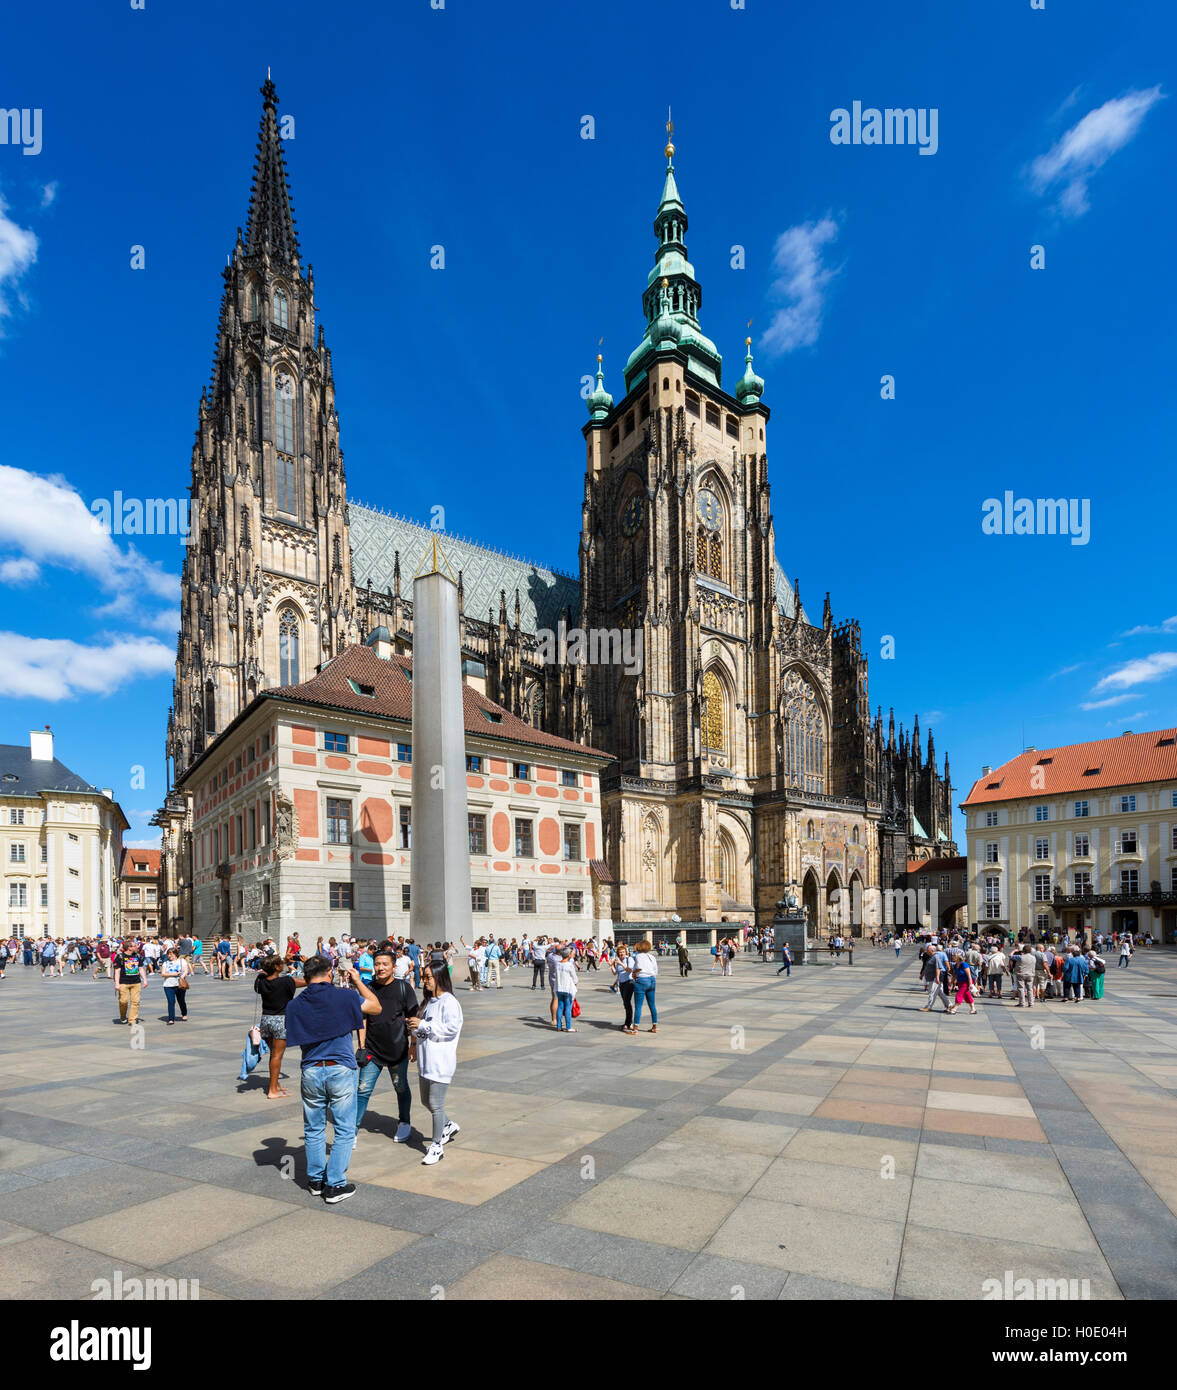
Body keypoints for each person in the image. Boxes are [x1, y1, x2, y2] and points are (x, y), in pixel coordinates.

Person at [284, 954, 381, 1203]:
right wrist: (358, 981)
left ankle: (316, 1180)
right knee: (344, 1129)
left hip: (311, 1069)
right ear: (329, 973)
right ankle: (335, 1184)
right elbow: (375, 1006)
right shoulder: (345, 996)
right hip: (340, 1067)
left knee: (313, 1128)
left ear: (306, 977)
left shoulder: (295, 1005)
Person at [356, 952, 419, 1142]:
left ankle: (404, 1122)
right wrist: (361, 1045)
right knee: (363, 1090)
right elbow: (363, 1019)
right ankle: (352, 1130)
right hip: (372, 1050)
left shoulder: (403, 988)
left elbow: (413, 1018)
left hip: (397, 1049)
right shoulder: (368, 989)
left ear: (394, 967)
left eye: (385, 964)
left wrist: (413, 1044)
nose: (380, 968)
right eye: (377, 964)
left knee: (400, 1087)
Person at [406, 960, 463, 1165]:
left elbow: (451, 1028)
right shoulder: (429, 1002)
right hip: (425, 1059)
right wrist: (414, 1030)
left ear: (440, 977)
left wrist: (424, 1025)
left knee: (436, 1105)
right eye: (425, 976)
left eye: (429, 976)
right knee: (425, 1101)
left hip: (441, 1061)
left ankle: (437, 1146)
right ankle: (447, 1124)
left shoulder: (449, 1002)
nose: (425, 980)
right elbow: (423, 1027)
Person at [254, 954, 306, 1098]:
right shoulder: (287, 981)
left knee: (273, 1055)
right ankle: (272, 1090)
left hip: (266, 1020)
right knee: (277, 1056)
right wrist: (306, 963)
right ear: (277, 967)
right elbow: (309, 981)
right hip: (281, 1020)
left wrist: (278, 962)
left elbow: (266, 973)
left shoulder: (261, 981)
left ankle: (275, 1084)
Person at [112, 943, 148, 1024]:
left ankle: (132, 1020)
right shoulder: (120, 956)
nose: (137, 947)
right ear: (129, 948)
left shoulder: (137, 956)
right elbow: (117, 971)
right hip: (123, 982)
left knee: (135, 1002)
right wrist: (117, 983)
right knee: (123, 1001)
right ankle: (123, 1016)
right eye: (135, 946)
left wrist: (145, 980)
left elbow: (141, 968)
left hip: (136, 982)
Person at [630, 938, 659, 1033]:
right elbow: (655, 971)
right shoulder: (652, 957)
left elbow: (639, 968)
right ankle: (654, 1026)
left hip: (642, 980)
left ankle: (635, 1029)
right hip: (652, 980)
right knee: (652, 1005)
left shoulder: (639, 956)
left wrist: (634, 973)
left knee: (638, 1006)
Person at [159, 947, 190, 1024]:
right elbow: (163, 974)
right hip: (168, 985)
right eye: (168, 954)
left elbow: (186, 970)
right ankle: (171, 1019)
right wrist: (173, 974)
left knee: (181, 1001)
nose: (169, 955)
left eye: (171, 954)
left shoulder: (182, 961)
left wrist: (182, 976)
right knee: (171, 1001)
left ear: (176, 954)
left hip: (179, 984)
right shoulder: (165, 963)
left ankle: (184, 1013)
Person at [554, 945, 579, 1032]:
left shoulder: (557, 964)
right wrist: (576, 983)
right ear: (568, 955)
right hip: (567, 988)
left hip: (559, 987)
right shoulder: (569, 965)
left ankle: (559, 1026)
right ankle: (569, 1027)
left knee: (560, 1006)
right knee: (568, 1007)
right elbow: (574, 978)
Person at [615, 944, 637, 1033]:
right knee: (625, 1003)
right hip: (622, 983)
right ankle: (628, 1022)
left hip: (629, 982)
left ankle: (628, 1023)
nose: (621, 954)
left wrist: (621, 964)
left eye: (623, 952)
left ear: (626, 952)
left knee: (627, 1003)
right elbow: (616, 973)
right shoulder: (618, 960)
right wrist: (611, 965)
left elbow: (630, 970)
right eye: (620, 952)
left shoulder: (629, 959)